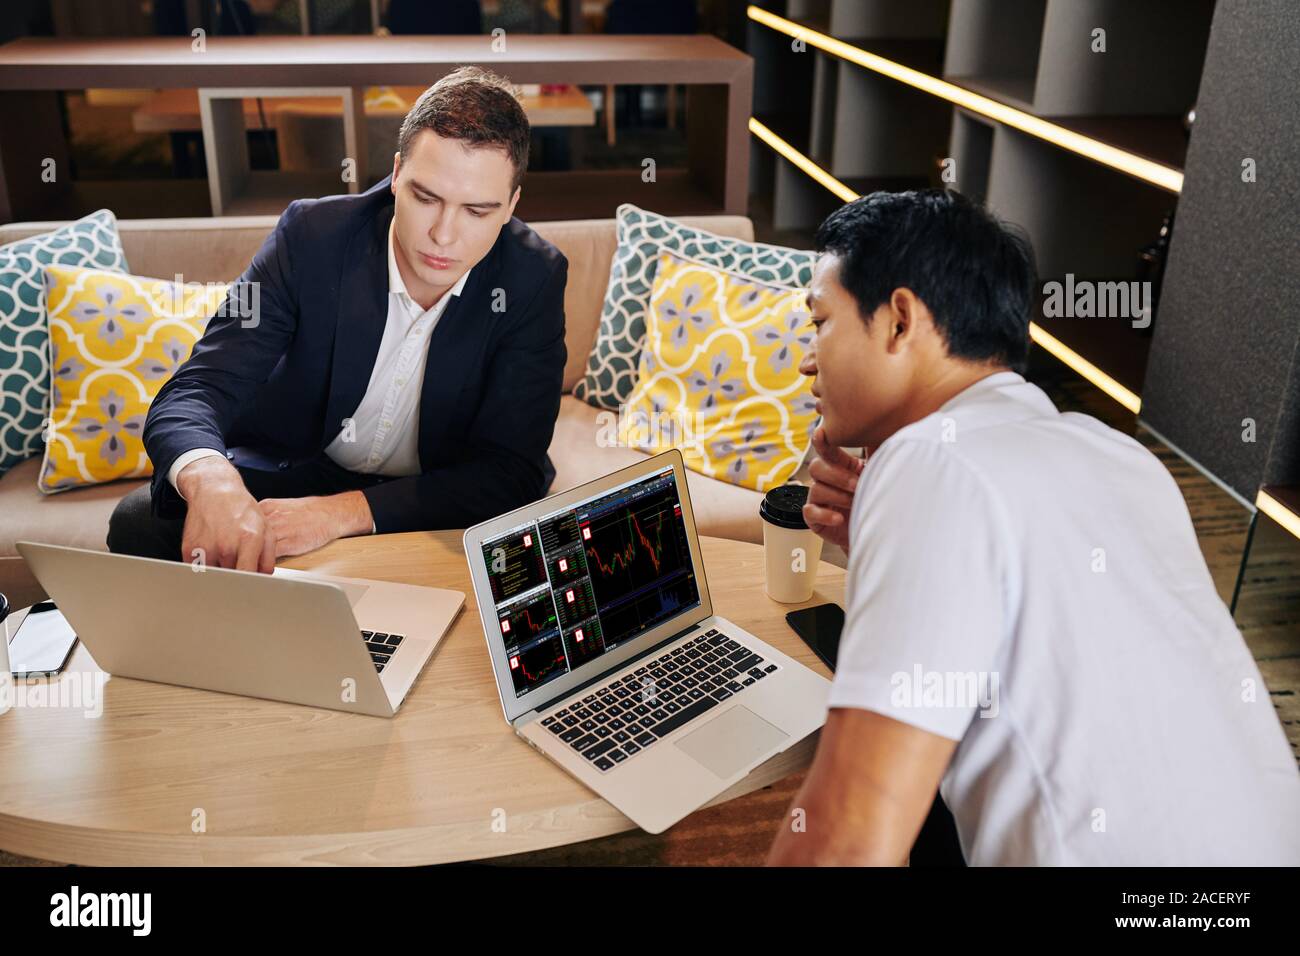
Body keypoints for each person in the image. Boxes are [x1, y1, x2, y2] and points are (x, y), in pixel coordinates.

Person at [767, 189, 1300, 865]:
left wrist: (908, 505)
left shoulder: (931, 461)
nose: (807, 360)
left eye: (818, 323)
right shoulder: (1118, 455)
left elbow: (845, 838)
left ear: (901, 320)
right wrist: (885, 540)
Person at [107, 66, 567, 573]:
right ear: (396, 175)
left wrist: (340, 515)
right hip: (304, 467)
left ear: (511, 206)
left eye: (477, 212)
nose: (443, 235)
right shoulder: (313, 236)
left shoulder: (533, 277)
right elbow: (196, 389)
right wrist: (213, 481)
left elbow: (511, 468)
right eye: (425, 197)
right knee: (138, 522)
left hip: (435, 493)